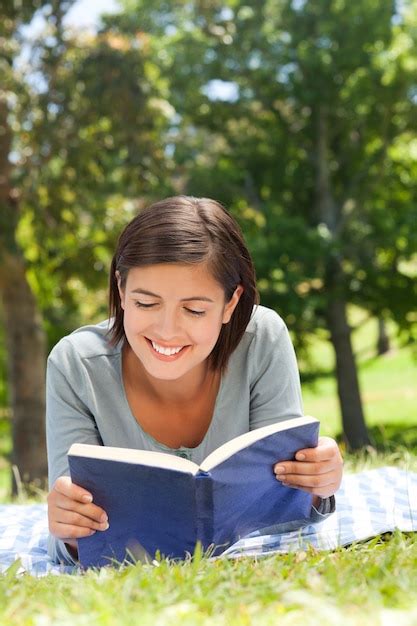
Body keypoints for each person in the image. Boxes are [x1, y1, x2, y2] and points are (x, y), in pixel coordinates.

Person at [46, 195, 343, 565]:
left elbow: (288, 506)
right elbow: (70, 533)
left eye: (194, 309)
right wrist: (69, 528)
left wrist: (318, 483)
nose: (167, 330)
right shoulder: (75, 365)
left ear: (231, 303)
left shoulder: (263, 339)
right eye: (145, 304)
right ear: (121, 290)